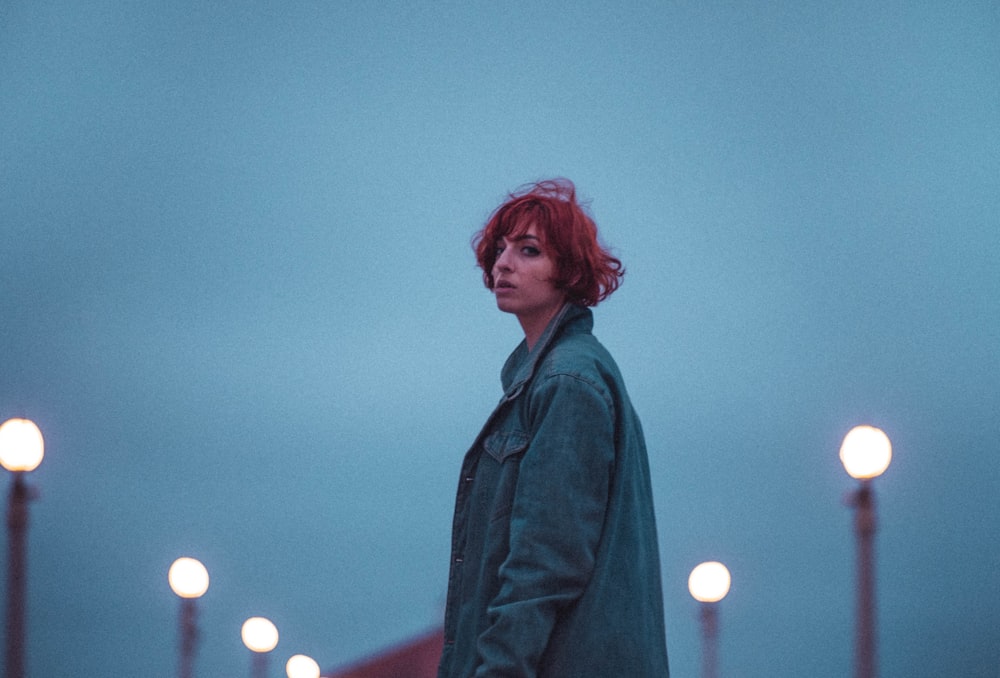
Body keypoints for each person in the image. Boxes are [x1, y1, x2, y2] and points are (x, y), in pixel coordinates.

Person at [438, 179, 670, 677]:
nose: (503, 263)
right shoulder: (551, 376)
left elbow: (544, 565)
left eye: (529, 251)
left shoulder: (568, 382)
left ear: (568, 270)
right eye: (500, 250)